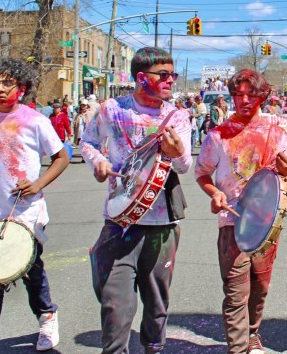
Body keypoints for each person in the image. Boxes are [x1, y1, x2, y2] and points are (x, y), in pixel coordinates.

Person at [80, 47, 192, 354]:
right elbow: (87, 143)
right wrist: (99, 162)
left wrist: (175, 152)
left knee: (156, 304)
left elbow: (184, 166)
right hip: (120, 221)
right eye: (163, 74)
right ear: (141, 78)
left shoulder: (178, 116)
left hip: (162, 224)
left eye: (173, 74)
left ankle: (153, 347)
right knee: (114, 303)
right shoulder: (112, 110)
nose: (171, 80)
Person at [0, 57, 70, 354]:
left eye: (8, 83)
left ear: (21, 88)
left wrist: (37, 184)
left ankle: (47, 314)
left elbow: (61, 157)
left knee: (29, 269)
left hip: (26, 210)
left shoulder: (34, 120)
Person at [194, 69, 287, 354]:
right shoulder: (218, 135)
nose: (244, 100)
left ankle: (252, 336)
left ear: (262, 96)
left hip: (265, 225)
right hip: (231, 222)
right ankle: (237, 349)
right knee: (236, 292)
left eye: (251, 94)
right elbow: (202, 174)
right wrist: (215, 193)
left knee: (260, 288)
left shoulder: (276, 134)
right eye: (238, 95)